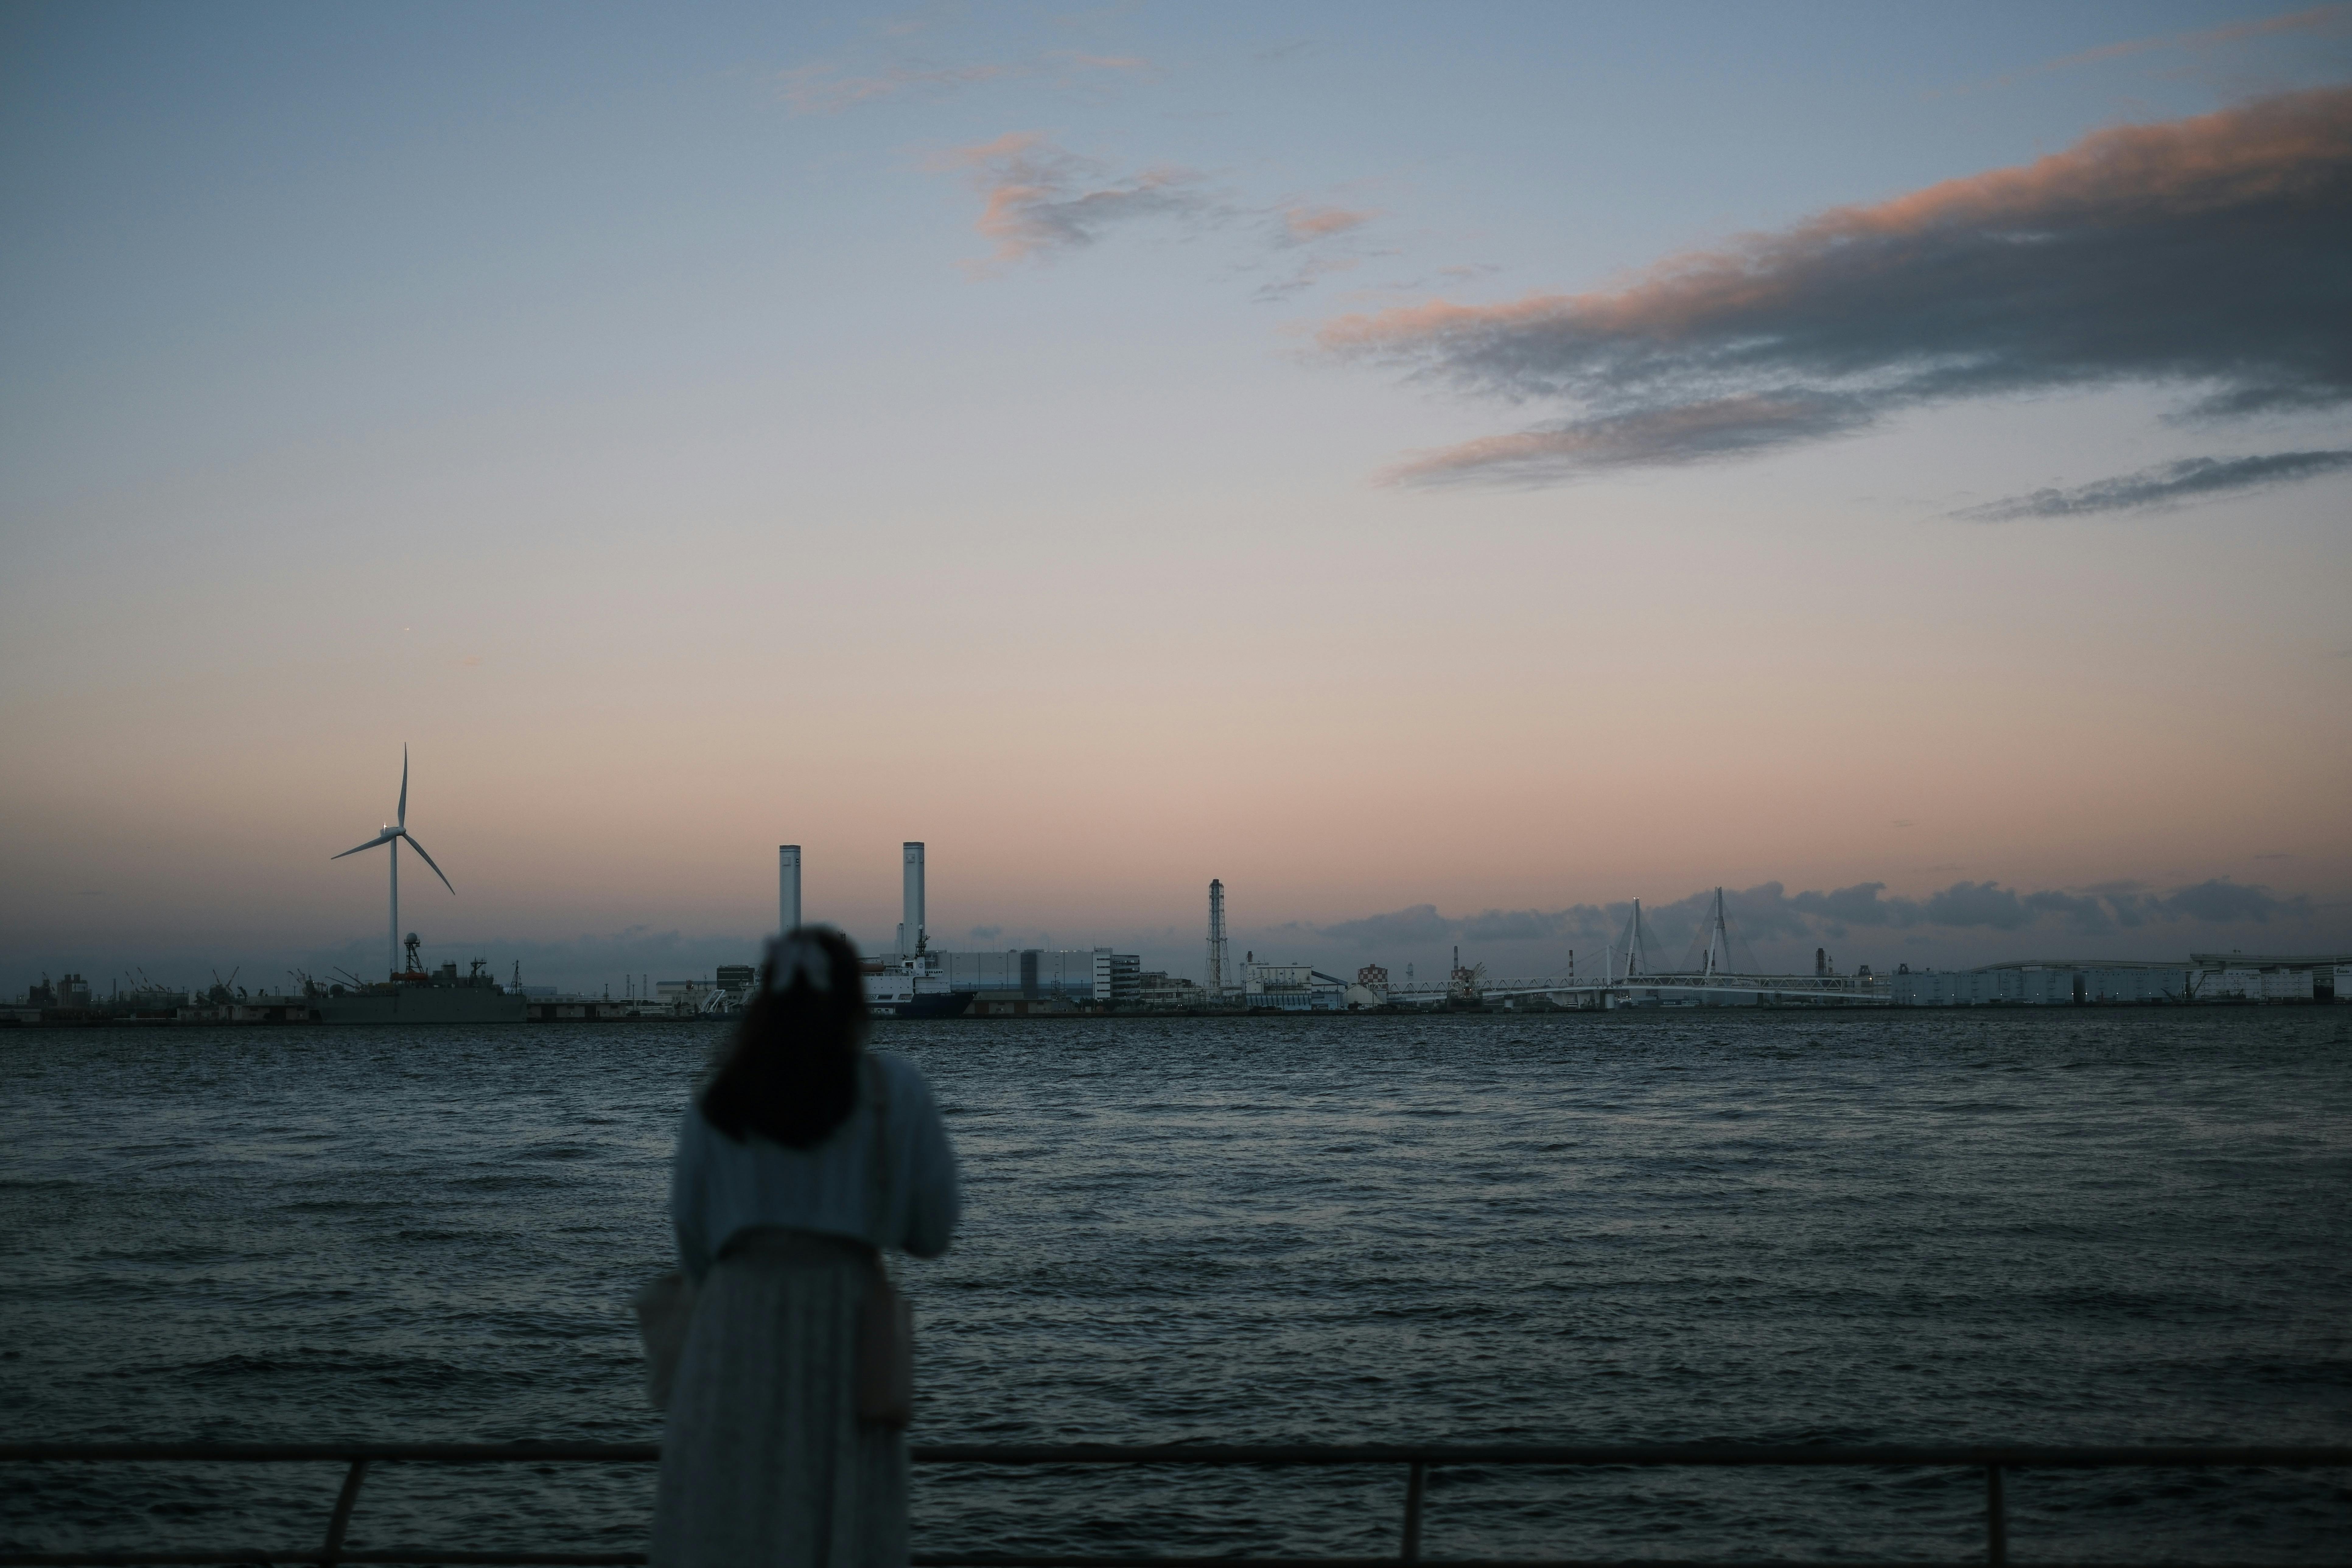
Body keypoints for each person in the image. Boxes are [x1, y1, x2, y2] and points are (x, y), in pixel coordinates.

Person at [651, 926, 960, 1568]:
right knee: (839, 1517)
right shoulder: (894, 1091)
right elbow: (934, 1231)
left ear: (767, 999)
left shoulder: (717, 1100)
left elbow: (692, 1242)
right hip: (843, 1333)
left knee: (728, 1516)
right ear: (856, 1002)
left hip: (730, 1335)